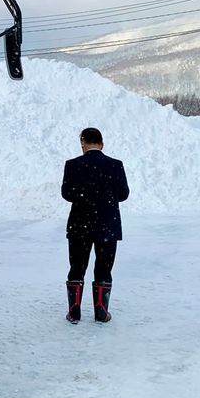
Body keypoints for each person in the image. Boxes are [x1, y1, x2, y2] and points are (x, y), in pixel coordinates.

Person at [61, 127, 129, 323]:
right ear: (102, 144)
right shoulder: (115, 165)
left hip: (79, 225)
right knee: (104, 269)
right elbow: (123, 194)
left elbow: (67, 194)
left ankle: (74, 311)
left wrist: (85, 195)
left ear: (82, 143)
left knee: (77, 267)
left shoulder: (72, 165)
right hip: (107, 224)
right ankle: (101, 311)